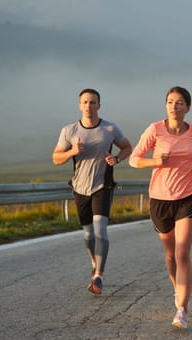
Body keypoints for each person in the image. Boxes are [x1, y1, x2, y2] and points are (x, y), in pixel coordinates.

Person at [129, 86, 192, 329]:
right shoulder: (155, 130)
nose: (175, 106)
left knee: (183, 252)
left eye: (180, 102)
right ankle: (177, 288)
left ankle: (182, 309)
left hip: (188, 196)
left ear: (188, 107)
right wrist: (154, 161)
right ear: (166, 106)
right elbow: (133, 159)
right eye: (171, 101)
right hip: (160, 199)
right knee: (171, 254)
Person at [52, 88, 132, 295]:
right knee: (88, 233)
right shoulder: (68, 131)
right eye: (85, 102)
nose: (89, 106)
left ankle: (99, 275)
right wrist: (72, 151)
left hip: (102, 186)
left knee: (100, 229)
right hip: (80, 187)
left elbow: (126, 147)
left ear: (99, 105)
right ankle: (94, 263)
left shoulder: (110, 129)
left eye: (93, 102)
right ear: (80, 105)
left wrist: (117, 159)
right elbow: (56, 159)